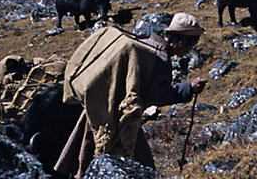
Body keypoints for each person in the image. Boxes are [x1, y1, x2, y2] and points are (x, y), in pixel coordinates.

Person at [54, 12, 207, 178]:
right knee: (137, 164)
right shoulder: (160, 58)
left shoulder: (144, 42)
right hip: (120, 119)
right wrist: (188, 89)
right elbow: (156, 95)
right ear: (183, 41)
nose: (192, 48)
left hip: (100, 104)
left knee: (88, 154)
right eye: (192, 44)